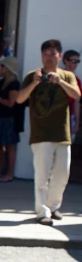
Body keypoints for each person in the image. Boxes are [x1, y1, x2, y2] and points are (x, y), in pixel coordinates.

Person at [16, 39, 81, 226]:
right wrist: (34, 84)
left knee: (62, 174)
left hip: (62, 133)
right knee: (42, 175)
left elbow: (76, 95)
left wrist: (60, 82)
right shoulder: (32, 75)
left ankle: (53, 206)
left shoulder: (67, 76)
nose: (48, 57)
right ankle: (42, 210)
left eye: (52, 54)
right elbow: (20, 99)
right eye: (45, 54)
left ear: (59, 56)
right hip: (41, 133)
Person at [0, 57, 21, 183]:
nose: (1, 69)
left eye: (3, 66)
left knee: (10, 146)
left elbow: (11, 103)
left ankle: (9, 173)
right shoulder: (2, 82)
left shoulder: (14, 84)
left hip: (9, 119)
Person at [61, 49, 81, 141]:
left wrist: (77, 122)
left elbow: (77, 102)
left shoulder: (77, 80)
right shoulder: (58, 76)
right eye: (73, 61)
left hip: (70, 116)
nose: (75, 64)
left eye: (77, 61)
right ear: (66, 60)